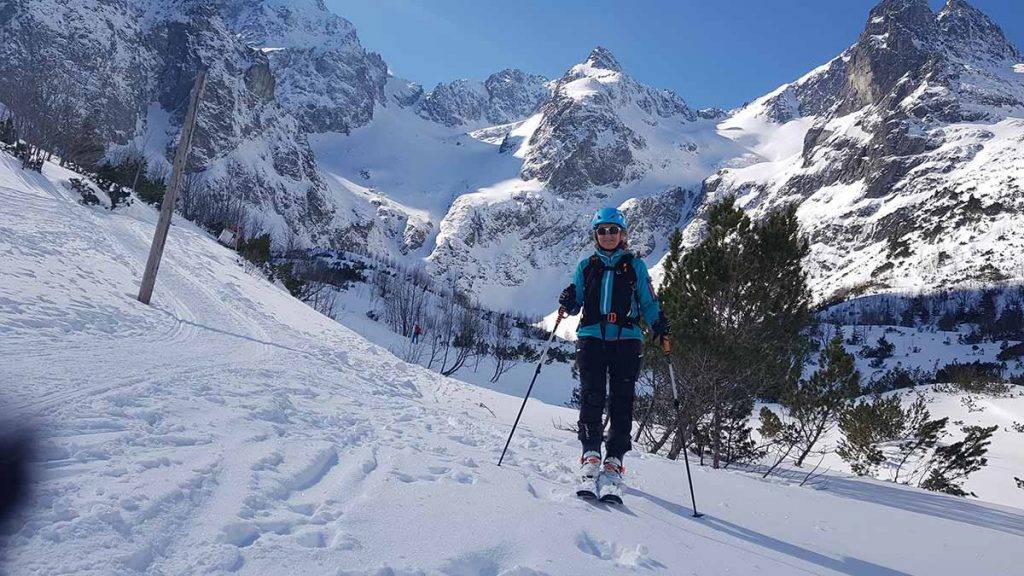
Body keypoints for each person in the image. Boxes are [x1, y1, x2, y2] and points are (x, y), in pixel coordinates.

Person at [558, 207, 669, 501]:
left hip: (627, 340)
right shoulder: (587, 266)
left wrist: (659, 322)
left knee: (622, 400)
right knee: (592, 396)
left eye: (613, 230)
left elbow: (647, 300)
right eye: (603, 231)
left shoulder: (635, 266)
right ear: (596, 234)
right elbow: (577, 302)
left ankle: (615, 459)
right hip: (592, 337)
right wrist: (568, 301)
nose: (608, 235)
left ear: (623, 235)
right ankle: (591, 452)